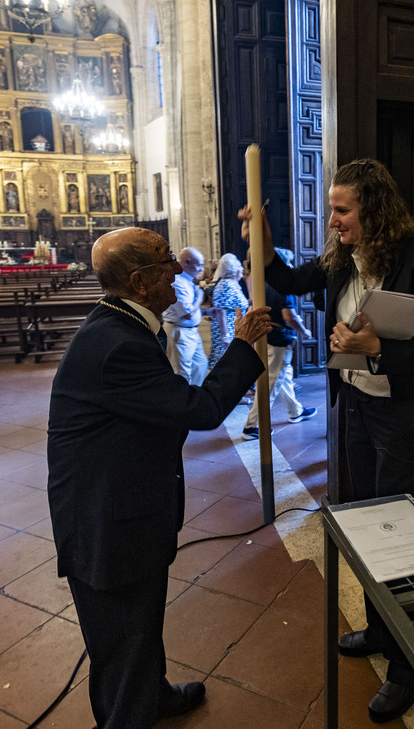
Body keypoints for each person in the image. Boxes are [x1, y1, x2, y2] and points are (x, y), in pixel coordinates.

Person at [240, 158, 414, 722]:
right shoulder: (343, 260)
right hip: (357, 407)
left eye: (343, 210)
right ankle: (382, 632)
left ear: (375, 209)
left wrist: (376, 349)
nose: (333, 220)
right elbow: (288, 280)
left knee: (398, 537)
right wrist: (259, 242)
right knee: (364, 522)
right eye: (334, 209)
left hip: (404, 416)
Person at [46, 227, 272, 729]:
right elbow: (201, 408)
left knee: (140, 621)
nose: (177, 269)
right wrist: (242, 344)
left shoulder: (123, 321)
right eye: (167, 261)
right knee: (123, 635)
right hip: (106, 520)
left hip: (123, 503)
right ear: (140, 280)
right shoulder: (116, 344)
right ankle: (131, 713)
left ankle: (153, 695)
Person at [240, 260, 317, 439]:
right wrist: (304, 331)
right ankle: (251, 426)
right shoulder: (283, 288)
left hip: (266, 336)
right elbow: (289, 317)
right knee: (270, 383)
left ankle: (295, 411)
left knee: (282, 376)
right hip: (280, 339)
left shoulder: (262, 285)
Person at [161, 247, 208, 385]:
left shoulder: (187, 280)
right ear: (187, 262)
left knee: (200, 365)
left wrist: (208, 312)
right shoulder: (176, 283)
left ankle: (194, 399)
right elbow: (187, 313)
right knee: (182, 373)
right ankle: (181, 404)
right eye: (199, 264)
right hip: (179, 332)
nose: (201, 269)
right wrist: (200, 297)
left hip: (191, 331)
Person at [208, 253, 249, 368]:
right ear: (233, 269)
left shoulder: (232, 283)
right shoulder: (226, 285)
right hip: (227, 330)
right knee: (226, 364)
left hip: (233, 328)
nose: (241, 269)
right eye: (238, 266)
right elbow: (221, 311)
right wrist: (225, 336)